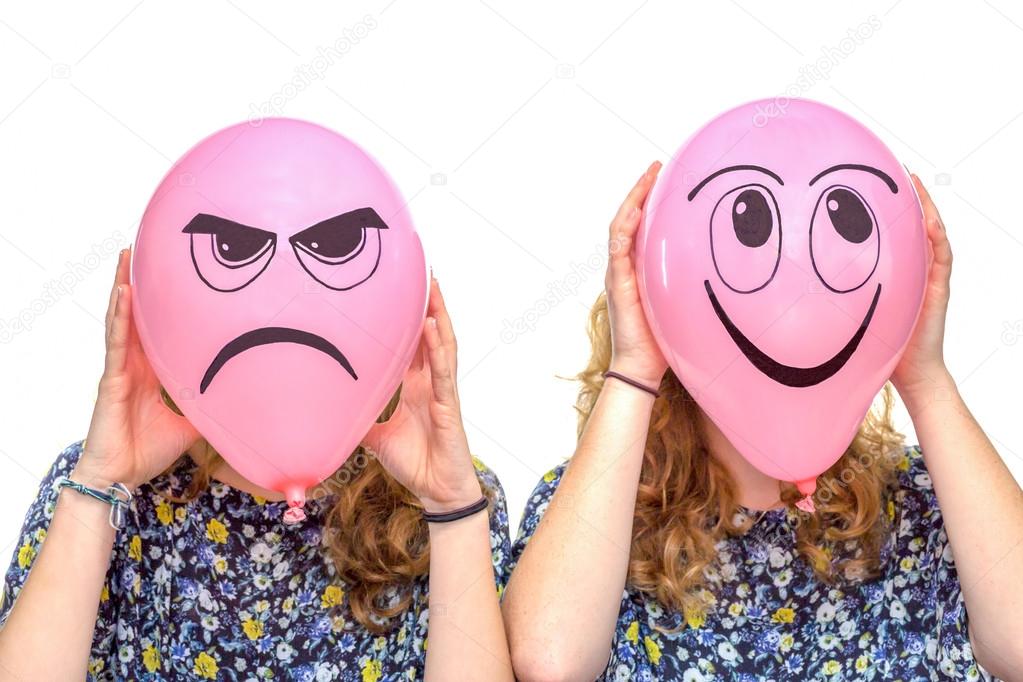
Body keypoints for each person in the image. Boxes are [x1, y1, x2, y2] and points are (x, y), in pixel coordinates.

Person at [502, 162, 1023, 681]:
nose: (793, 308)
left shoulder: (923, 503)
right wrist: (634, 365)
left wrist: (924, 376)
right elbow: (549, 663)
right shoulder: (597, 512)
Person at [0, 249, 513, 681]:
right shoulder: (104, 488)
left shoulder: (451, 496)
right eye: (241, 262)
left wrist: (451, 507)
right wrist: (99, 480)